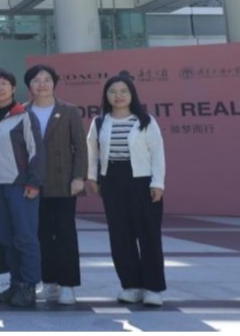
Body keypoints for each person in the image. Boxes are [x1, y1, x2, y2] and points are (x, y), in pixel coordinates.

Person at [86, 74, 166, 307]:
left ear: (132, 94)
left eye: (123, 91)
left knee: (149, 236)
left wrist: (157, 183)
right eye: (113, 92)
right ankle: (130, 286)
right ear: (106, 96)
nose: (118, 96)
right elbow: (92, 151)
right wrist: (92, 177)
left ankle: (153, 288)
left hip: (142, 182)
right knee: (120, 236)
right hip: (112, 181)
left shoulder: (145, 120)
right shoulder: (100, 122)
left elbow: (157, 153)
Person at [0, 68, 44, 308]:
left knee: (25, 237)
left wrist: (34, 182)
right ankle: (16, 283)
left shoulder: (24, 115)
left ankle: (29, 285)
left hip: (20, 186)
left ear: (13, 88)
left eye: (4, 83)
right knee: (6, 238)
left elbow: (36, 151)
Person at [23, 64, 87, 306]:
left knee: (65, 234)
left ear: (54, 83)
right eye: (36, 80)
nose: (42, 84)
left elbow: (80, 146)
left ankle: (68, 285)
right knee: (41, 234)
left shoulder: (68, 111)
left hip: (63, 182)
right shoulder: (22, 111)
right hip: (33, 184)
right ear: (29, 86)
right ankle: (49, 282)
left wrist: (79, 176)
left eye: (47, 79)